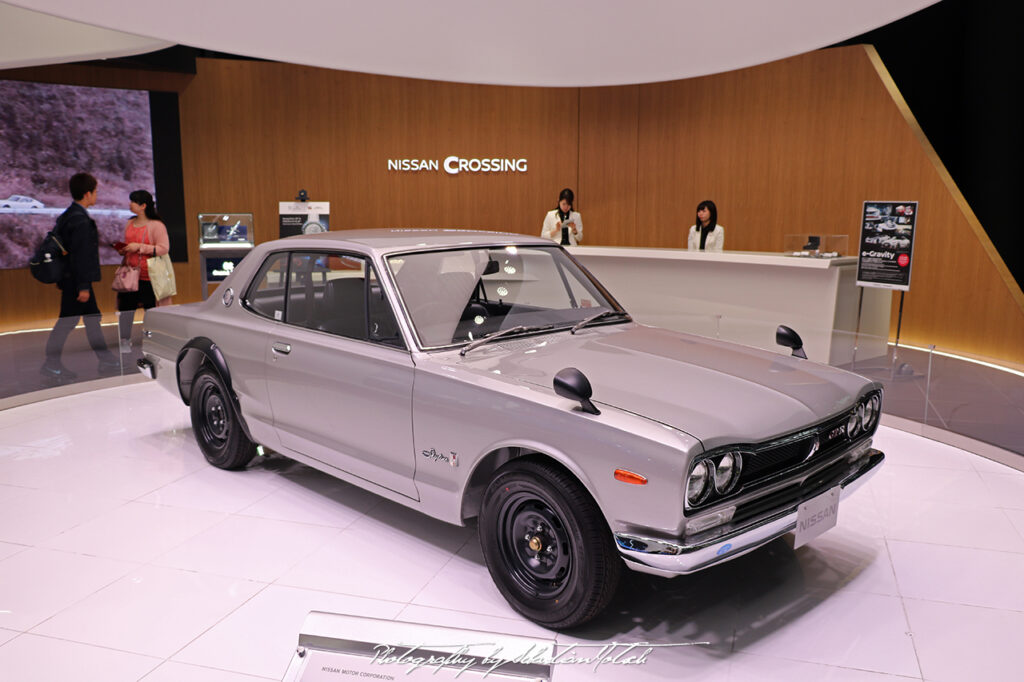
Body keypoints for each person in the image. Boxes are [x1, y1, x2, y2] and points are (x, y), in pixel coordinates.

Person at [41, 172, 119, 383]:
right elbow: (81, 255)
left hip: (70, 279)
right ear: (87, 193)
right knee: (67, 322)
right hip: (77, 282)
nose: (96, 195)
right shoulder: (81, 221)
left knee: (92, 319)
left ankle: (106, 360)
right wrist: (83, 286)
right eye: (95, 192)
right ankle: (51, 364)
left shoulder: (67, 216)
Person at [115, 189, 171, 353]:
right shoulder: (129, 223)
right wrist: (124, 249)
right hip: (130, 274)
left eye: (133, 201)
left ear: (143, 206)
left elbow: (163, 248)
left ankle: (153, 339)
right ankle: (124, 341)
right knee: (126, 310)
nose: (130, 204)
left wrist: (139, 247)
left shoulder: (157, 225)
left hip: (149, 276)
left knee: (151, 310)